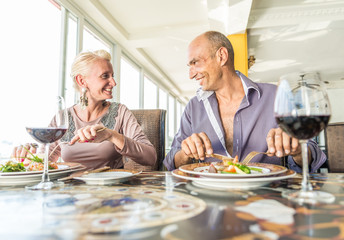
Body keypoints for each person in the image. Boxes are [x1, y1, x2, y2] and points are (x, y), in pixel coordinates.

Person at [163, 31, 326, 173]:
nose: (191, 75)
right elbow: (171, 163)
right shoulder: (193, 108)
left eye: (195, 63)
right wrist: (185, 153)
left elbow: (311, 153)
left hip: (267, 198)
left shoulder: (275, 96)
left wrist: (297, 149)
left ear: (221, 56)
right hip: (209, 198)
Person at [13, 50, 157, 170]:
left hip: (110, 195)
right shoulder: (62, 117)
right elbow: (44, 163)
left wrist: (112, 136)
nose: (113, 82)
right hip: (70, 196)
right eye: (105, 76)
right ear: (82, 81)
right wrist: (28, 154)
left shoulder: (120, 113)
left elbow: (150, 157)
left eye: (113, 76)